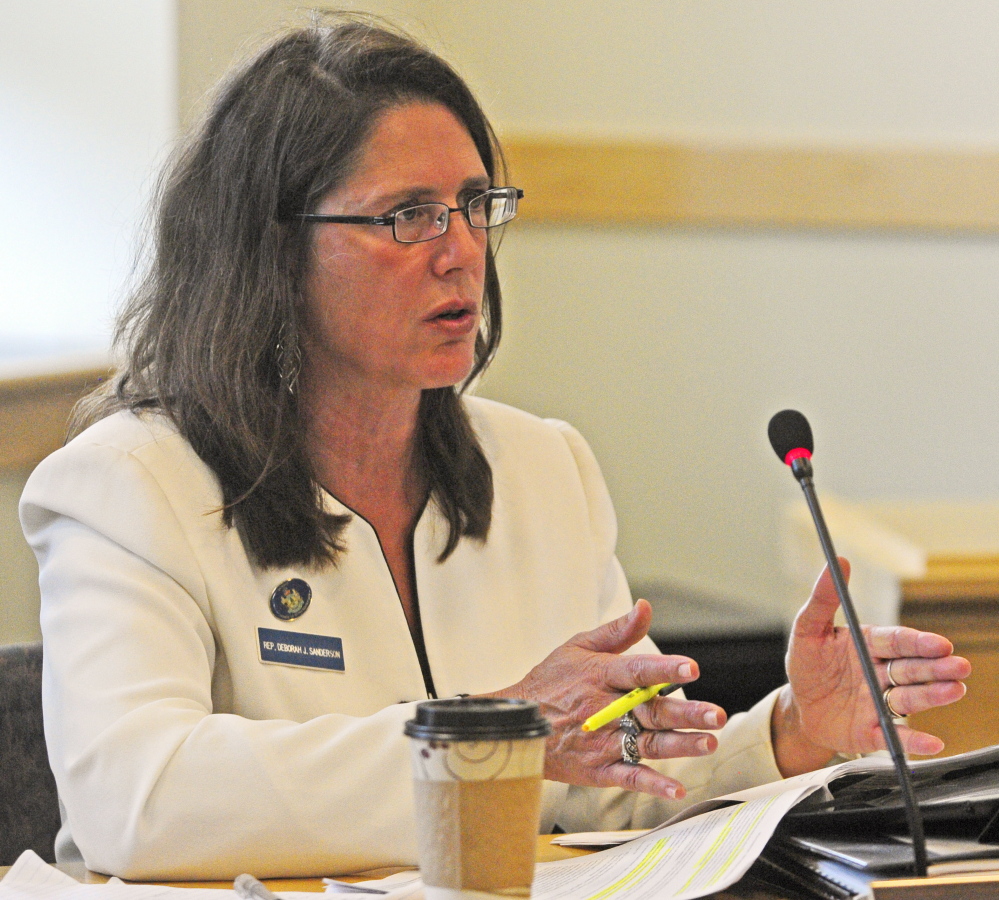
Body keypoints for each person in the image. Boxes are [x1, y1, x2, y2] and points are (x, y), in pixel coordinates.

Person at [20, 15, 970, 881]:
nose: (460, 250)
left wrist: (790, 734)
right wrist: (499, 736)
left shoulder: (541, 469)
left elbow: (595, 786)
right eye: (408, 216)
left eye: (476, 206)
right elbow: (134, 803)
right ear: (269, 250)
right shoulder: (127, 485)